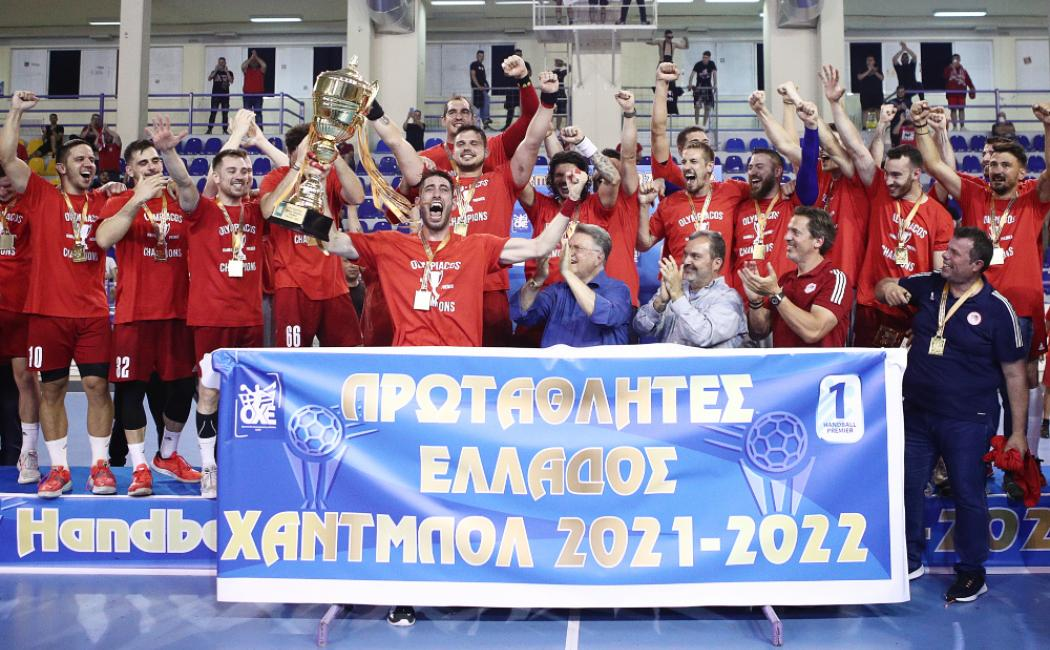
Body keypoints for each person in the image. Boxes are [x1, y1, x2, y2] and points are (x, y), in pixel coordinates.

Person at [876, 227, 1028, 603]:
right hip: (917, 413)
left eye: (955, 254)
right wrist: (889, 288)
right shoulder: (929, 285)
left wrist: (1017, 433)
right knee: (907, 486)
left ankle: (973, 571)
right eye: (947, 250)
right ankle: (909, 559)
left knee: (968, 492)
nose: (945, 256)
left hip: (968, 419)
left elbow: (1015, 375)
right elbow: (882, 286)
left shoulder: (997, 309)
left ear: (977, 265)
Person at [371, 70, 562, 346]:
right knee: (446, 358)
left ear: (487, 151)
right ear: (451, 150)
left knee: (492, 361)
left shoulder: (503, 179)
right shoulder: (437, 185)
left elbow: (532, 140)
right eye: (461, 144)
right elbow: (397, 144)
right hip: (445, 287)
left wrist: (548, 99)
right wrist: (374, 110)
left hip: (489, 287)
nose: (467, 148)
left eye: (474, 143)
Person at [0, 91, 124, 498]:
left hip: (91, 314)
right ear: (61, 167)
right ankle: (59, 469)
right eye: (80, 158)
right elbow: (7, 158)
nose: (89, 163)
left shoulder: (104, 201)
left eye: (92, 159)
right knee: (51, 389)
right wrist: (15, 111)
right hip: (46, 313)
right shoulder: (40, 195)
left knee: (97, 387)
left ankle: (100, 467)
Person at [914, 100, 1050, 459]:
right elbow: (934, 165)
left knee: (1019, 387)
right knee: (971, 388)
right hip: (975, 308)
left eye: (1006, 165)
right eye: (992, 164)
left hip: (1019, 311)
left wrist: (1048, 127)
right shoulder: (974, 192)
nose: (996, 170)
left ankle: (1022, 461)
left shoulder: (1033, 199)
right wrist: (921, 126)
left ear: (1022, 171)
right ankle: (975, 459)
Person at [95, 118, 201, 497]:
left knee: (182, 387)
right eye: (144, 162)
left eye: (155, 161)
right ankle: (139, 466)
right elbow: (103, 238)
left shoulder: (179, 200)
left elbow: (190, 190)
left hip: (178, 312)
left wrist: (169, 152)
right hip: (134, 313)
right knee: (130, 389)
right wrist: (136, 199)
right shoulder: (119, 201)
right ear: (129, 170)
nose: (152, 167)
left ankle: (167, 454)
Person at [821, 64, 954, 348]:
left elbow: (940, 275)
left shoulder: (938, 215)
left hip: (913, 313)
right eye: (887, 173)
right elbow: (857, 149)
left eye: (896, 175)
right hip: (871, 306)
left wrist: (928, 317)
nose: (889, 180)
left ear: (916, 174)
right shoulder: (879, 190)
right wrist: (835, 104)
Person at [184, 116, 277, 498]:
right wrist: (237, 134)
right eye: (233, 171)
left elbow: (290, 175)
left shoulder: (256, 211)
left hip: (250, 319)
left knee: (248, 398)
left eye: (247, 170)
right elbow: (192, 182)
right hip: (210, 318)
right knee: (209, 392)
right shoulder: (203, 210)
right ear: (217, 177)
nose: (241, 176)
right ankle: (209, 467)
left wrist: (264, 144)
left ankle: (242, 466)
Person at [258, 124, 365, 350]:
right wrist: (298, 165)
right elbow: (267, 210)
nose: (311, 156)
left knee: (349, 354)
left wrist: (333, 154)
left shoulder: (329, 176)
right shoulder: (276, 178)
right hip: (292, 284)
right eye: (306, 150)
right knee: (292, 358)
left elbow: (357, 197)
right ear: (290, 154)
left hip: (333, 282)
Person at [740, 207, 852, 347]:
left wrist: (776, 294)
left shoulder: (835, 279)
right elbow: (759, 332)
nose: (787, 237)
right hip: (783, 362)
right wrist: (756, 302)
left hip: (820, 362)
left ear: (818, 241)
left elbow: (814, 331)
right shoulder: (785, 280)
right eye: (788, 231)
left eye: (796, 232)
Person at [512, 224, 632, 346]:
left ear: (599, 257)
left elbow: (607, 316)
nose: (569, 254)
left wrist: (568, 273)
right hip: (556, 359)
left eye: (577, 248)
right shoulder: (557, 291)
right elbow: (523, 315)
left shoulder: (618, 290)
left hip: (598, 359)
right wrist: (539, 278)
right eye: (568, 247)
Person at [636, 141, 746, 275]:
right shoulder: (669, 203)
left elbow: (765, 192)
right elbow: (643, 244)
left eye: (693, 161)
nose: (687, 167)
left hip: (719, 285)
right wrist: (643, 205)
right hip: (680, 285)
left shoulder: (730, 191)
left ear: (709, 166)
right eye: (684, 162)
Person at [634, 229, 746, 348]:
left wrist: (677, 296)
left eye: (695, 256)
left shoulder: (729, 299)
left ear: (716, 263)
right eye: (685, 254)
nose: (686, 261)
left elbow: (703, 336)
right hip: (669, 360)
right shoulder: (674, 288)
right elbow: (639, 328)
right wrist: (659, 303)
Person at [0, 166, 41, 482]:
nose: (4, 188)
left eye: (9, 182)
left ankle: (22, 452)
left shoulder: (33, 206)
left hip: (22, 308)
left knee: (23, 382)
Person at [501, 50, 532, 131]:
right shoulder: (510, 64)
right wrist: (513, 71)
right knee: (510, 109)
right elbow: (505, 73)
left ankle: (527, 127)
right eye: (517, 55)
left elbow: (530, 73)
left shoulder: (525, 64)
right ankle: (507, 126)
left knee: (525, 109)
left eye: (520, 55)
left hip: (522, 89)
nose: (518, 56)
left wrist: (522, 71)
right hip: (512, 90)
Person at [943, 54, 976, 130]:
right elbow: (944, 77)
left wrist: (972, 88)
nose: (955, 61)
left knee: (961, 109)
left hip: (961, 93)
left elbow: (968, 81)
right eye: (954, 59)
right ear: (952, 60)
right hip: (951, 94)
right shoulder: (948, 69)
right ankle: (954, 127)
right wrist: (950, 68)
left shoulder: (964, 71)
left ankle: (962, 127)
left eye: (957, 59)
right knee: (953, 110)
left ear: (959, 60)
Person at [688, 51, 718, 130]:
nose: (704, 59)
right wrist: (690, 84)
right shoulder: (698, 64)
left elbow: (714, 74)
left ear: (709, 58)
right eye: (703, 57)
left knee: (707, 107)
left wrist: (715, 84)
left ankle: (704, 126)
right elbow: (692, 75)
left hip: (708, 87)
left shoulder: (712, 64)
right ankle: (697, 125)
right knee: (697, 106)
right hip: (699, 87)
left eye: (706, 58)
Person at [207, 57, 235, 134]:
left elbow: (231, 81)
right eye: (220, 62)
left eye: (222, 62)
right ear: (218, 63)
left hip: (225, 96)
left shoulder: (229, 72)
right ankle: (209, 129)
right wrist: (216, 70)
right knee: (213, 113)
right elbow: (209, 78)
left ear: (225, 63)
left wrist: (227, 72)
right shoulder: (214, 72)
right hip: (215, 96)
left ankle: (225, 130)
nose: (221, 64)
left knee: (225, 113)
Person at [857, 55, 885, 129]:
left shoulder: (878, 69)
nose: (869, 61)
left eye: (871, 60)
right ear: (866, 62)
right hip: (865, 94)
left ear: (874, 61)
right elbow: (859, 77)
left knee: (878, 110)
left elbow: (882, 78)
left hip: (877, 94)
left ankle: (880, 127)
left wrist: (874, 71)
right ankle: (864, 127)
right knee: (865, 110)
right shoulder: (862, 69)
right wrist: (869, 70)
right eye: (868, 60)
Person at [241, 50, 267, 125]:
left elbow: (264, 65)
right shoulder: (247, 70)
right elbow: (243, 66)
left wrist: (256, 57)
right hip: (247, 95)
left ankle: (259, 129)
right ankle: (247, 129)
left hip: (258, 95)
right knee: (247, 114)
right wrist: (251, 58)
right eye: (252, 61)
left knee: (258, 114)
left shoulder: (261, 70)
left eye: (255, 61)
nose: (254, 62)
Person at [469, 50, 492, 130]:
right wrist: (478, 86)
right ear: (476, 56)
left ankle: (485, 120)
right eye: (479, 56)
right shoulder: (474, 64)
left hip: (483, 90)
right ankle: (477, 125)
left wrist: (487, 86)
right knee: (477, 107)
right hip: (477, 90)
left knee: (485, 102)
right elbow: (473, 76)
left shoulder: (482, 66)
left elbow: (483, 79)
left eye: (482, 56)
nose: (481, 57)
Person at [553, 59, 570, 130]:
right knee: (552, 112)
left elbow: (570, 68)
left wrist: (563, 63)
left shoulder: (562, 72)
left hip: (560, 94)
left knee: (560, 113)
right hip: (555, 94)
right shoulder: (553, 72)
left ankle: (557, 128)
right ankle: (553, 128)